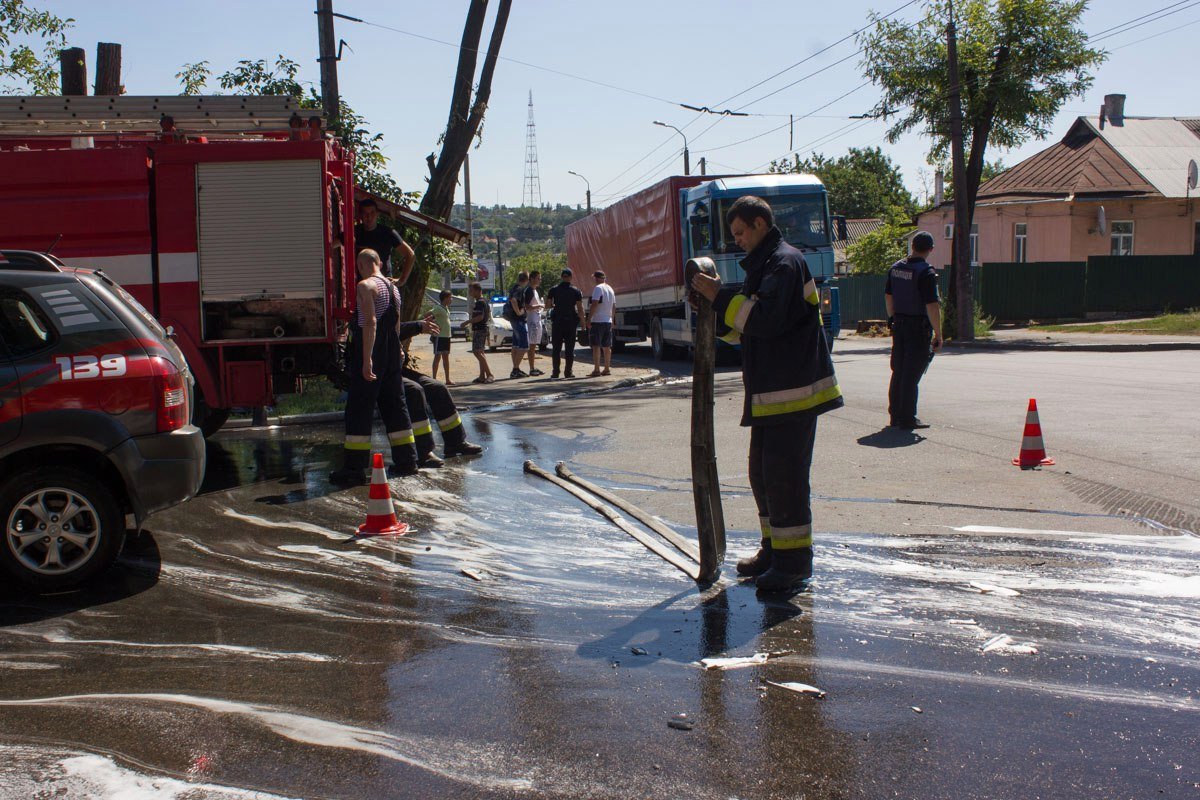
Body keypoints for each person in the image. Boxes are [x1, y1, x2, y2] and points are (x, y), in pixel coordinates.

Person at [691, 196, 843, 592]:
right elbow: (747, 330)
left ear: (760, 223)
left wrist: (719, 296)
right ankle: (774, 550)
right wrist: (711, 312)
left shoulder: (784, 263)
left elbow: (765, 320)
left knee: (786, 479)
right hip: (773, 394)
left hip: (793, 393)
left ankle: (793, 564)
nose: (737, 240)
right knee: (763, 475)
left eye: (740, 232)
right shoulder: (766, 265)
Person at [330, 250, 436, 486]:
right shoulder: (393, 289)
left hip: (373, 350)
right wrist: (398, 347)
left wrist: (367, 359)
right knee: (395, 404)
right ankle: (407, 460)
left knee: (359, 407)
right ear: (379, 263)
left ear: (360, 265)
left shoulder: (365, 286)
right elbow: (395, 322)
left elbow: (370, 322)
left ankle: (354, 468)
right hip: (391, 354)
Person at [885, 231, 943, 430]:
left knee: (898, 371)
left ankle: (895, 415)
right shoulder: (925, 272)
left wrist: (893, 318)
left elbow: (889, 297)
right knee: (911, 374)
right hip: (918, 328)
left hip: (899, 324)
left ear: (913, 246)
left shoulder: (895, 268)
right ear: (931, 249)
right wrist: (938, 333)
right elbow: (932, 305)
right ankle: (907, 418)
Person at [401, 366, 484, 468]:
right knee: (414, 391)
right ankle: (424, 452)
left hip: (398, 369)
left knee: (438, 388)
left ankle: (456, 442)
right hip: (381, 372)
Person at [355, 198, 415, 281]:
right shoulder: (354, 231)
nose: (368, 217)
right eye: (365, 213)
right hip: (359, 283)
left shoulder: (388, 233)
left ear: (377, 214)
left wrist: (401, 280)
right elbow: (332, 244)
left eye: (372, 213)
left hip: (382, 283)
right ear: (360, 215)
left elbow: (410, 254)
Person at [545, 267, 585, 379]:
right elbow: (580, 308)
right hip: (570, 322)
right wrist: (583, 322)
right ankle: (568, 372)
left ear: (562, 277)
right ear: (571, 277)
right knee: (569, 349)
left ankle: (555, 372)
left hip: (557, 321)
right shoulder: (576, 291)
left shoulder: (553, 290)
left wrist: (554, 305)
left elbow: (547, 305)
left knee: (556, 349)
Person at [585, 269, 616, 377]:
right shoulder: (610, 289)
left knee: (596, 346)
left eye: (594, 278)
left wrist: (589, 319)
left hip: (598, 320)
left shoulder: (598, 288)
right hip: (607, 320)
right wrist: (612, 319)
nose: (594, 280)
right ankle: (607, 368)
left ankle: (597, 370)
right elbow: (614, 306)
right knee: (607, 346)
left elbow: (594, 304)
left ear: (597, 278)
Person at [466, 282, 495, 384]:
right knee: (480, 352)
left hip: (480, 329)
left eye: (472, 290)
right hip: (481, 329)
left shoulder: (480, 302)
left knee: (477, 351)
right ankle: (482, 376)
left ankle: (489, 374)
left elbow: (480, 317)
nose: (470, 292)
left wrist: (467, 322)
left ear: (478, 291)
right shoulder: (483, 301)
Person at [505, 271, 530, 379]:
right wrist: (518, 312)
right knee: (524, 346)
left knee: (516, 345)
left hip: (513, 320)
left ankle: (516, 369)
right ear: (527, 279)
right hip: (518, 320)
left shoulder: (513, 288)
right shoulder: (519, 289)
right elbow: (514, 300)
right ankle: (515, 370)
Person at [523, 270, 545, 376]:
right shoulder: (529, 291)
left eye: (540, 278)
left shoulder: (535, 291)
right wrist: (539, 306)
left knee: (534, 345)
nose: (539, 280)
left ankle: (533, 367)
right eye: (538, 278)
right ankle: (531, 368)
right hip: (532, 321)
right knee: (531, 345)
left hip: (537, 319)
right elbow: (527, 306)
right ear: (531, 279)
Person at [429, 289, 453, 385]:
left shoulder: (446, 308)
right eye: (450, 298)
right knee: (437, 357)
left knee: (446, 357)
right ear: (445, 298)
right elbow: (426, 315)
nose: (451, 299)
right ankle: (434, 379)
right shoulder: (437, 308)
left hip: (447, 336)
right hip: (439, 336)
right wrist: (432, 325)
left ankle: (447, 379)